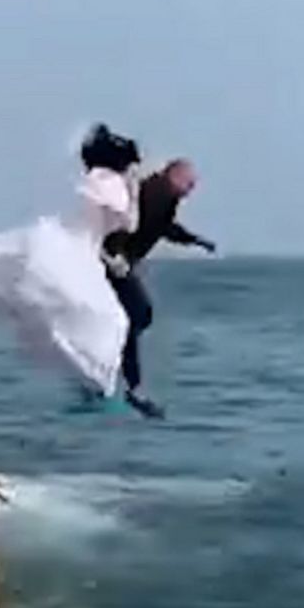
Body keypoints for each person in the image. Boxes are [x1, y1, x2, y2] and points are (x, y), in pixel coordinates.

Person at [0, 125, 142, 399]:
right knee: (112, 321)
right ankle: (95, 381)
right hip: (74, 250)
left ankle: (91, 376)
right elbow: (129, 223)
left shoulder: (98, 179)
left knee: (90, 315)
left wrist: (110, 259)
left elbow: (96, 225)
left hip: (76, 247)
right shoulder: (110, 183)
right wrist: (134, 190)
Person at [101, 158, 214, 417]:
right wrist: (114, 252)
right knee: (137, 314)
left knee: (134, 317)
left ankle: (114, 375)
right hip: (112, 261)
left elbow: (164, 228)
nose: (192, 188)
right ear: (173, 176)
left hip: (119, 262)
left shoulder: (165, 198)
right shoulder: (154, 193)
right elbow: (124, 217)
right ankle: (130, 386)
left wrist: (195, 240)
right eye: (189, 182)